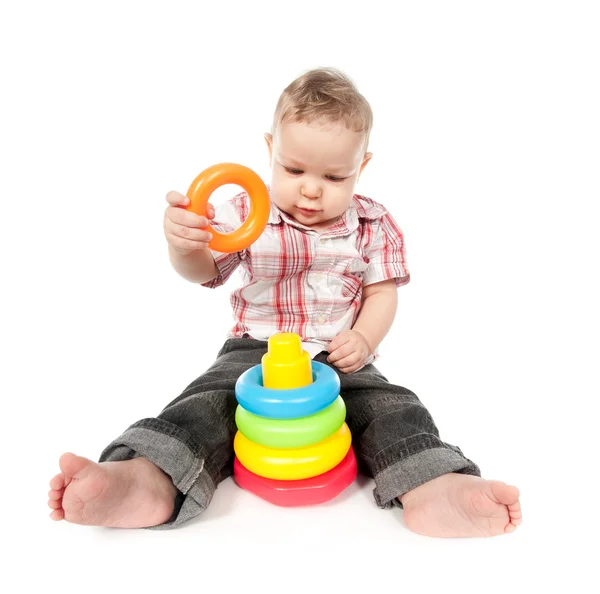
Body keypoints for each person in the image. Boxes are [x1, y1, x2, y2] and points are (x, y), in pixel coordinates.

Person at [47, 67, 522, 537]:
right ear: (271, 150)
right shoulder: (247, 212)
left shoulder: (373, 224)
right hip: (255, 351)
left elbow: (382, 293)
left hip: (339, 355)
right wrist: (185, 246)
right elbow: (204, 273)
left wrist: (364, 337)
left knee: (392, 408)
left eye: (335, 176)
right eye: (294, 169)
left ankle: (432, 485)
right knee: (206, 404)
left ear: (362, 166)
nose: (311, 189)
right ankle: (147, 480)